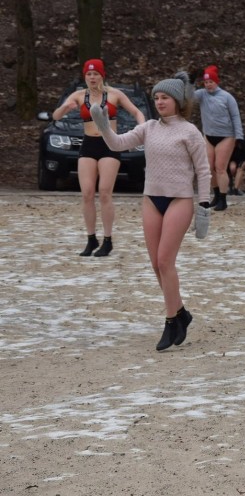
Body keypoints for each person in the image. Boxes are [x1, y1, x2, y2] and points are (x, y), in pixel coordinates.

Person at [91, 71, 211, 352]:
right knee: (156, 264)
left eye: (165, 97)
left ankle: (171, 320)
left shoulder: (190, 132)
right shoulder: (150, 128)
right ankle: (180, 312)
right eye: (156, 97)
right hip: (151, 200)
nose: (159, 102)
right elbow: (118, 144)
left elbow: (203, 171)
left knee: (166, 261)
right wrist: (104, 127)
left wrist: (204, 206)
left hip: (179, 201)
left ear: (179, 101)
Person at [52, 59, 146, 257]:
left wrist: (142, 127)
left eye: (96, 74)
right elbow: (56, 116)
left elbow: (137, 111)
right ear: (85, 76)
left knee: (104, 192)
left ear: (102, 75)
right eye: (89, 74)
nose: (92, 78)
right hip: (88, 144)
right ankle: (91, 238)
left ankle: (108, 239)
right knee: (86, 193)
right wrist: (65, 108)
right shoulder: (78, 95)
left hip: (110, 145)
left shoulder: (114, 94)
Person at [195, 65, 243, 212]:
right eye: (206, 82)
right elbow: (187, 97)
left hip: (226, 136)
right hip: (209, 135)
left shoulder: (227, 97)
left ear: (216, 81)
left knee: (220, 167)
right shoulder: (202, 95)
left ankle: (223, 198)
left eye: (211, 82)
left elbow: (235, 116)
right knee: (209, 168)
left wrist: (239, 135)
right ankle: (215, 195)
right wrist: (189, 82)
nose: (208, 85)